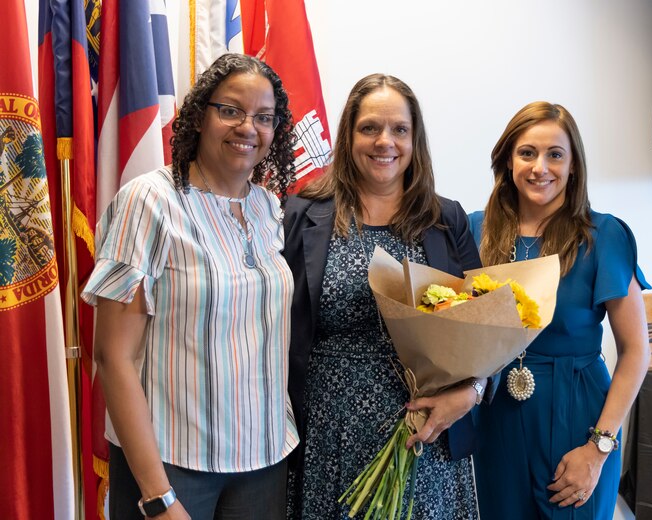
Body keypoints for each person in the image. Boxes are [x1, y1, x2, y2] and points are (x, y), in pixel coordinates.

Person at [82, 54, 298, 520]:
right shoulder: (151, 200)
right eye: (231, 110)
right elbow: (112, 356)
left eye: (264, 117)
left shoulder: (267, 207)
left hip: (263, 457)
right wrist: (158, 497)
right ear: (200, 116)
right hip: (171, 466)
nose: (248, 127)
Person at [283, 73, 487, 519]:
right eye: (370, 128)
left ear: (415, 140)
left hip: (422, 432)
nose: (384, 141)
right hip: (327, 434)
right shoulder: (301, 214)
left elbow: (484, 326)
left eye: (399, 129)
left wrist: (470, 392)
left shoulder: (445, 218)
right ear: (348, 136)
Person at [469, 101, 651, 520]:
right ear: (508, 160)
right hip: (496, 423)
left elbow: (636, 352)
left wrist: (599, 447)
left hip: (579, 420)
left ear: (573, 166)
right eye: (527, 153)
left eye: (555, 154)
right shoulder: (476, 228)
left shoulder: (603, 235)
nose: (540, 167)